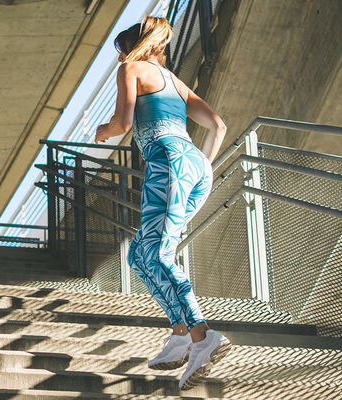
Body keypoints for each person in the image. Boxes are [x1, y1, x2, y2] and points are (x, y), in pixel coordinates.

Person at [94, 16, 231, 390]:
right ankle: (181, 332)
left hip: (167, 162)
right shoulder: (175, 82)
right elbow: (217, 125)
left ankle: (202, 335)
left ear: (133, 48)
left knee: (159, 254)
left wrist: (103, 131)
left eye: (122, 50)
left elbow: (123, 123)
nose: (119, 58)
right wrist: (201, 165)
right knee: (140, 254)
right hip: (196, 167)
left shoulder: (131, 69)